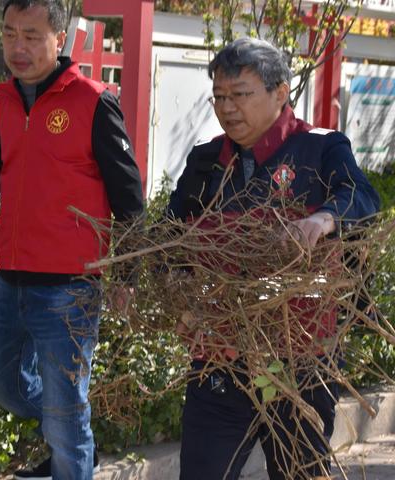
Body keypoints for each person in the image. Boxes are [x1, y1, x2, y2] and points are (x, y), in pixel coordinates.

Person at [0, 1, 143, 479]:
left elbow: (129, 196)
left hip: (70, 288)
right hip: (11, 280)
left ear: (60, 39)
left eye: (32, 36)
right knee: (5, 387)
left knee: (64, 417)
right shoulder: (5, 99)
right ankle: (72, 433)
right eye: (10, 34)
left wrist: (128, 275)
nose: (18, 48)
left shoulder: (92, 101)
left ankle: (70, 444)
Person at [165, 38, 380, 480]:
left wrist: (322, 219)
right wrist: (172, 295)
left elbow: (362, 195)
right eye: (219, 96)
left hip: (299, 365)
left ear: (280, 92)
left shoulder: (320, 150)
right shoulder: (207, 163)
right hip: (219, 361)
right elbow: (169, 237)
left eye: (239, 94)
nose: (227, 107)